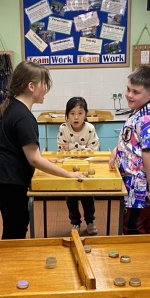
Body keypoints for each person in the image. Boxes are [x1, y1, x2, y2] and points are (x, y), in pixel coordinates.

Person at [0, 61, 84, 240]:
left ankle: (10, 254)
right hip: (9, 179)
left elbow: (20, 150)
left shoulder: (13, 107)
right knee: (15, 227)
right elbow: (34, 159)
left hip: (2, 175)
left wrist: (46, 161)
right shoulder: (24, 116)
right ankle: (10, 257)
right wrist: (68, 174)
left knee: (14, 224)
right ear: (31, 86)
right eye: (44, 84)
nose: (46, 88)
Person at [108, 66, 150, 235]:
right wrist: (116, 151)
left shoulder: (147, 119)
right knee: (143, 222)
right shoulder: (138, 112)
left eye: (136, 92)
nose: (129, 95)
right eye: (128, 89)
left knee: (132, 226)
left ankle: (140, 253)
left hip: (140, 186)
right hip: (134, 183)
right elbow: (131, 141)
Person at [57, 97, 100, 235]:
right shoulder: (63, 128)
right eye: (72, 113)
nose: (76, 117)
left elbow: (93, 150)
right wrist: (82, 150)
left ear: (85, 114)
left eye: (80, 113)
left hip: (87, 168)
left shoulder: (90, 128)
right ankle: (75, 222)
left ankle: (90, 222)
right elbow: (62, 151)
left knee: (88, 198)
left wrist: (71, 146)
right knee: (71, 198)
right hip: (68, 169)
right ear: (67, 115)